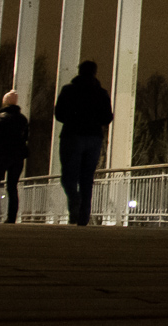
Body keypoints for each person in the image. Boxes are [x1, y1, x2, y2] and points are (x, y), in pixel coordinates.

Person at [53, 60, 112, 226]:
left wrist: (73, 119)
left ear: (79, 71)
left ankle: (74, 201)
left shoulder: (68, 90)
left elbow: (59, 114)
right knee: (87, 178)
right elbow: (107, 117)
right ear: (95, 72)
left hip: (72, 135)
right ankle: (83, 217)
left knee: (68, 176)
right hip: (94, 137)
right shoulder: (101, 93)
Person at [0, 90, 29, 223]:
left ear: (4, 102)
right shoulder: (23, 119)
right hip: (17, 156)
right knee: (12, 186)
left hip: (1, 155)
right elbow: (25, 137)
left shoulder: (0, 117)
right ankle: (11, 217)